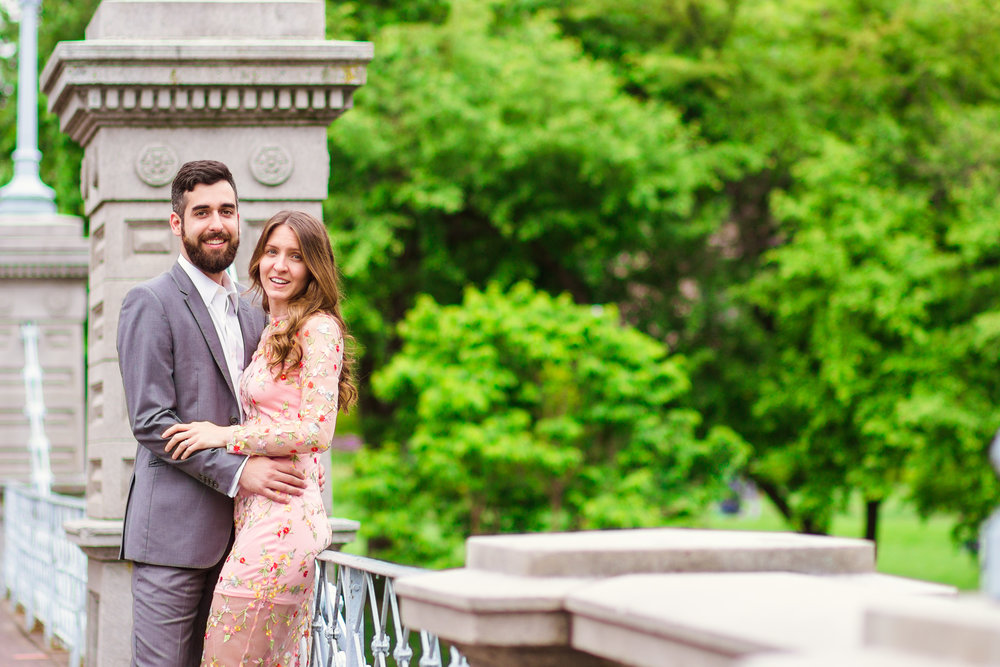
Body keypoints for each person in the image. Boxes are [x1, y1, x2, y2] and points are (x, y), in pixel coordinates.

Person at [117, 160, 311, 667]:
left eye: (227, 210)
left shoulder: (254, 310)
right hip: (173, 540)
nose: (217, 223)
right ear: (177, 223)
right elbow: (152, 421)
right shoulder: (150, 302)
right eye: (201, 212)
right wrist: (244, 471)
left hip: (247, 542)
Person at [163, 210, 357, 666]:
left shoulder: (319, 328)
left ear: (315, 267)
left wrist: (221, 436)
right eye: (272, 252)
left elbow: (317, 430)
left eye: (296, 256)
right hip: (254, 518)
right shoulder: (273, 329)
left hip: (283, 526)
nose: (280, 266)